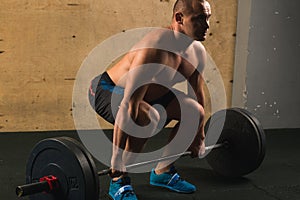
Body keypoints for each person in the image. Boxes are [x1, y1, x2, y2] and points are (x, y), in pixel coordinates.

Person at [88, 0, 211, 199]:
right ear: (179, 18)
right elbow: (129, 104)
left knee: (195, 112)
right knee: (148, 117)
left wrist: (200, 136)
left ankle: (162, 172)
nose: (206, 25)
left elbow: (196, 93)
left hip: (152, 94)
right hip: (108, 90)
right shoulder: (154, 49)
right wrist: (116, 159)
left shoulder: (197, 53)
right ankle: (119, 180)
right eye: (199, 19)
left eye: (208, 18)